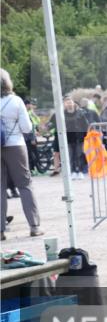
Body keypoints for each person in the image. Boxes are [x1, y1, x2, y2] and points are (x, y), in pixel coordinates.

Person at [1, 69, 43, 239]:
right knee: (25, 185)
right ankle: (34, 226)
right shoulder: (16, 101)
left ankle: (1, 231)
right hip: (15, 145)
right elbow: (26, 128)